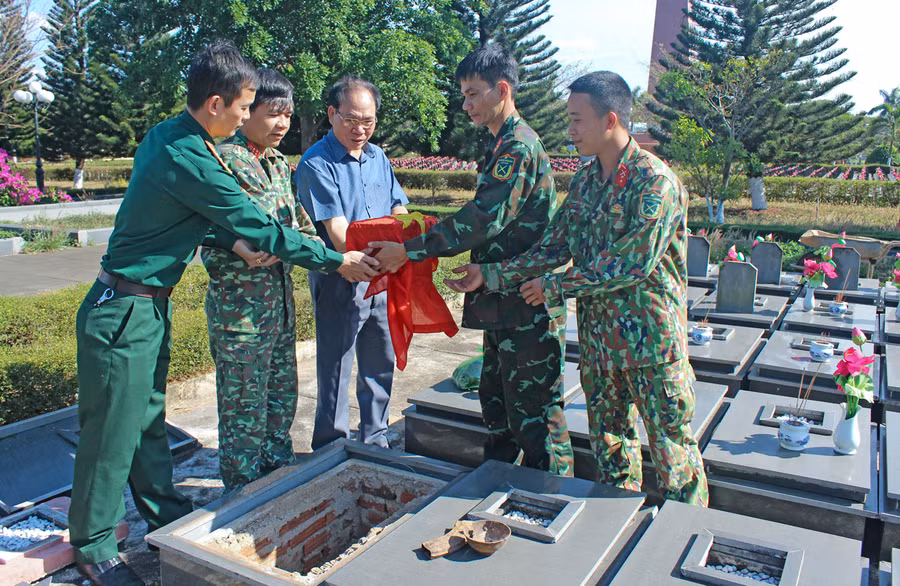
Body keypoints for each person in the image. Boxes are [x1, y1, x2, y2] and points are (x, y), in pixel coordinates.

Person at [70, 42, 378, 585]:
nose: (246, 119)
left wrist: (233, 239)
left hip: (147, 306)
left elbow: (197, 217)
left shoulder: (171, 136)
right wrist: (336, 260)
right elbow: (252, 223)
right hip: (122, 308)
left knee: (145, 424)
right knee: (110, 432)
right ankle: (94, 546)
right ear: (216, 103)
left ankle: (164, 515)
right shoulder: (190, 155)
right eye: (244, 107)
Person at [446, 71, 708, 505]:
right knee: (610, 449)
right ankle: (613, 538)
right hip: (601, 344)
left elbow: (630, 264)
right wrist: (490, 275)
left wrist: (555, 286)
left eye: (576, 121)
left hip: (651, 348)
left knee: (673, 454)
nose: (569, 132)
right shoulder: (586, 182)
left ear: (609, 120)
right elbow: (555, 245)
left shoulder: (654, 183)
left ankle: (681, 546)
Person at [369, 45, 574, 477]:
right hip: (504, 300)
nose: (466, 105)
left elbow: (483, 218)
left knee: (534, 419)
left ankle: (554, 501)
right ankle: (502, 491)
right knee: (499, 410)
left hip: (526, 303)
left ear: (502, 90)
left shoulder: (517, 146)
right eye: (462, 95)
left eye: (473, 94)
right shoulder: (502, 143)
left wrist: (410, 249)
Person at [200, 69, 315, 492]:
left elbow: (300, 225)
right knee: (243, 406)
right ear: (245, 112)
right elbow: (202, 226)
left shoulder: (278, 164)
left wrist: (332, 255)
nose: (282, 124)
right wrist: (237, 246)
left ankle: (278, 475)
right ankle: (242, 489)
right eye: (271, 114)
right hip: (241, 313)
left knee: (281, 397)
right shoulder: (221, 160)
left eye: (286, 114)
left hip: (280, 309)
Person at [295, 76, 408, 450]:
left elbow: (398, 207)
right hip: (343, 276)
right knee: (337, 364)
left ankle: (375, 436)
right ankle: (331, 444)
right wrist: (384, 252)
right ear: (332, 114)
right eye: (351, 120)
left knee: (380, 357)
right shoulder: (316, 163)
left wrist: (404, 238)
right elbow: (339, 232)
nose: (360, 129)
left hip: (384, 277)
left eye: (369, 121)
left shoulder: (378, 157)